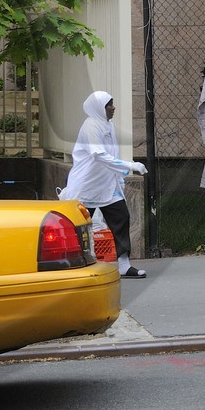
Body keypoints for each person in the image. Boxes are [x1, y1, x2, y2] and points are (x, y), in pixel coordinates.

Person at [63, 91, 149, 279]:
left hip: (107, 187)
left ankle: (124, 265)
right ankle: (78, 266)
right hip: (86, 188)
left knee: (122, 218)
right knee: (80, 228)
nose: (113, 107)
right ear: (99, 108)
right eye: (109, 104)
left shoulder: (107, 125)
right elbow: (99, 155)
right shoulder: (91, 126)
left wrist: (119, 177)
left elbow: (112, 156)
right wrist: (130, 166)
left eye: (112, 103)